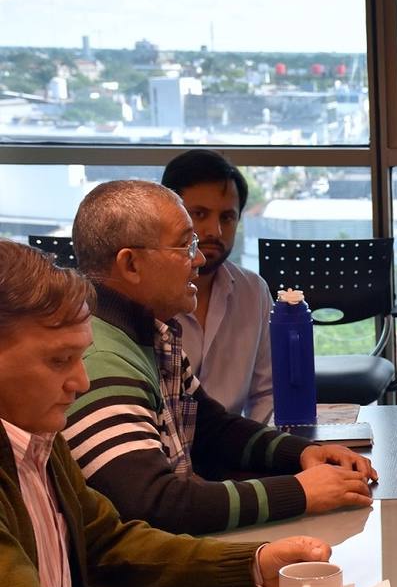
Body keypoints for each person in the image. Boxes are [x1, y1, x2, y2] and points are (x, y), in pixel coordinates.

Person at [0, 239, 356, 587]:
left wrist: (253, 565)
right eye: (59, 361)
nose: (80, 381)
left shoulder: (34, 439)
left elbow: (108, 544)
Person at [63, 180, 376, 535]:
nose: (198, 258)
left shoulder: (151, 334)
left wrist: (302, 454)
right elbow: (154, 504)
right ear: (131, 265)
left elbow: (212, 429)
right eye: (185, 245)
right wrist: (300, 491)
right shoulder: (101, 358)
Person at [163, 149, 274, 422]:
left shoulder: (253, 292)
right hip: (159, 455)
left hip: (237, 452)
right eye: (199, 214)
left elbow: (267, 394)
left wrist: (256, 455)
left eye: (227, 217)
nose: (215, 231)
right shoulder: (144, 296)